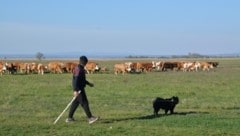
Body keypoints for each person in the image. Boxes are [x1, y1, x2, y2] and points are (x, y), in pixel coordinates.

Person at [66, 56, 98, 124]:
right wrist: (75, 90)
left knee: (75, 103)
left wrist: (89, 84)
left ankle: (69, 118)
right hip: (79, 90)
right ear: (86, 63)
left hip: (80, 89)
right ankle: (90, 118)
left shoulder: (79, 68)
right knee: (85, 103)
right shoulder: (78, 69)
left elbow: (82, 80)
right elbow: (75, 80)